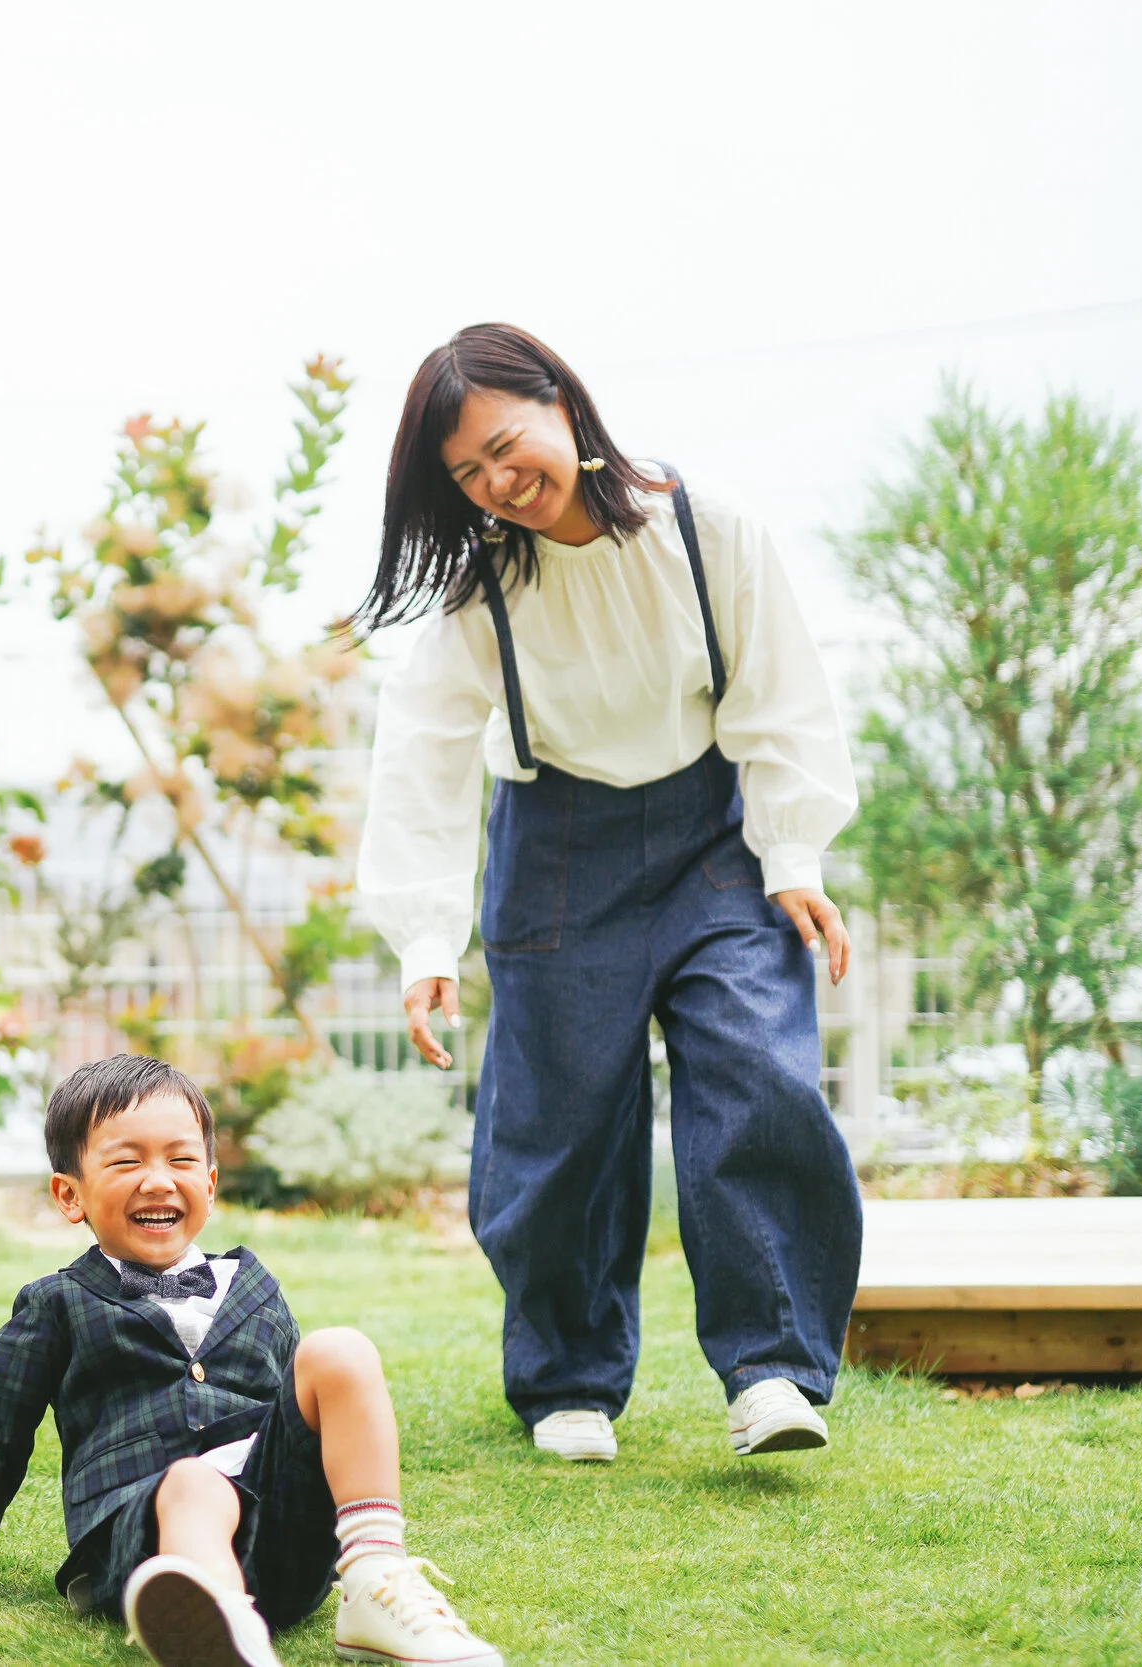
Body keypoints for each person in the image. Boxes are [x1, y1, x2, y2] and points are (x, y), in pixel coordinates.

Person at [353, 323, 864, 1465]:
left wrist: (792, 855)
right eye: (465, 474)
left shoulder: (708, 523)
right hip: (558, 847)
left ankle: (773, 1369)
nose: (496, 482)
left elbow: (783, 688)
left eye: (502, 444)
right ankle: (569, 1378)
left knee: (756, 1070)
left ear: (561, 402)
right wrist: (424, 935)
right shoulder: (479, 585)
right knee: (558, 1124)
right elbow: (421, 753)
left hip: (713, 839)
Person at [0, 1055, 504, 1667]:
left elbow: (298, 1423)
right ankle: (214, 1624)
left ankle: (373, 1577)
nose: (158, 1179)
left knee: (340, 1350)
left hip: (278, 1541)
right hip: (143, 1541)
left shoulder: (255, 1286)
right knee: (193, 1482)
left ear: (210, 1184)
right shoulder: (56, 1304)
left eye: (181, 1159)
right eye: (126, 1162)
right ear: (70, 1195)